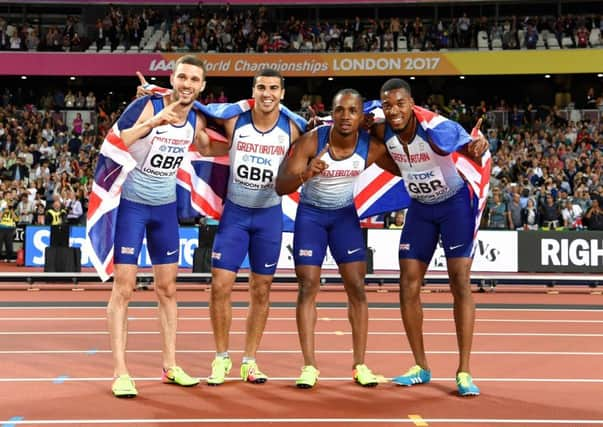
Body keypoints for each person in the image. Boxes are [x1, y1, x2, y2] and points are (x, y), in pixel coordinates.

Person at [275, 88, 399, 389]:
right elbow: (280, 186)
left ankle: (360, 365)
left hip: (344, 217)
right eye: (340, 110)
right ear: (332, 113)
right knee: (307, 286)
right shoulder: (312, 141)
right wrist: (305, 174)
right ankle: (309, 366)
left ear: (361, 117)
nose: (345, 116)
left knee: (357, 287)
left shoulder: (371, 147)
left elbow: (408, 167)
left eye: (352, 111)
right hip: (311, 217)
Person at [191, 68, 306, 386]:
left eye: (273, 88)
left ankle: (250, 361)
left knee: (262, 289)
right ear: (253, 91)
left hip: (268, 217)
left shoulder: (294, 127)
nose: (267, 93)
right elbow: (194, 109)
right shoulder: (233, 119)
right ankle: (221, 357)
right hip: (236, 216)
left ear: (282, 93)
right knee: (220, 286)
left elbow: (320, 142)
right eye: (261, 87)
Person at [375, 78, 489, 396]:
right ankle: (421, 366)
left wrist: (479, 146)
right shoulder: (383, 131)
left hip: (454, 207)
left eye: (400, 103)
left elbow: (472, 149)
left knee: (459, 282)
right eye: (388, 105)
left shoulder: (437, 131)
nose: (394, 110)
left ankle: (464, 370)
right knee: (408, 283)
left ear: (412, 104)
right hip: (421, 210)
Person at [107, 55, 210, 398]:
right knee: (124, 288)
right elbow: (116, 141)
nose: (187, 84)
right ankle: (121, 371)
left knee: (167, 289)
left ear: (202, 86)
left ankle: (170, 365)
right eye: (182, 77)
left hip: (165, 210)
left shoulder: (196, 117)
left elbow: (211, 145)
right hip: (132, 206)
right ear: (173, 78)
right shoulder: (148, 105)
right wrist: (153, 122)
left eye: (194, 80)